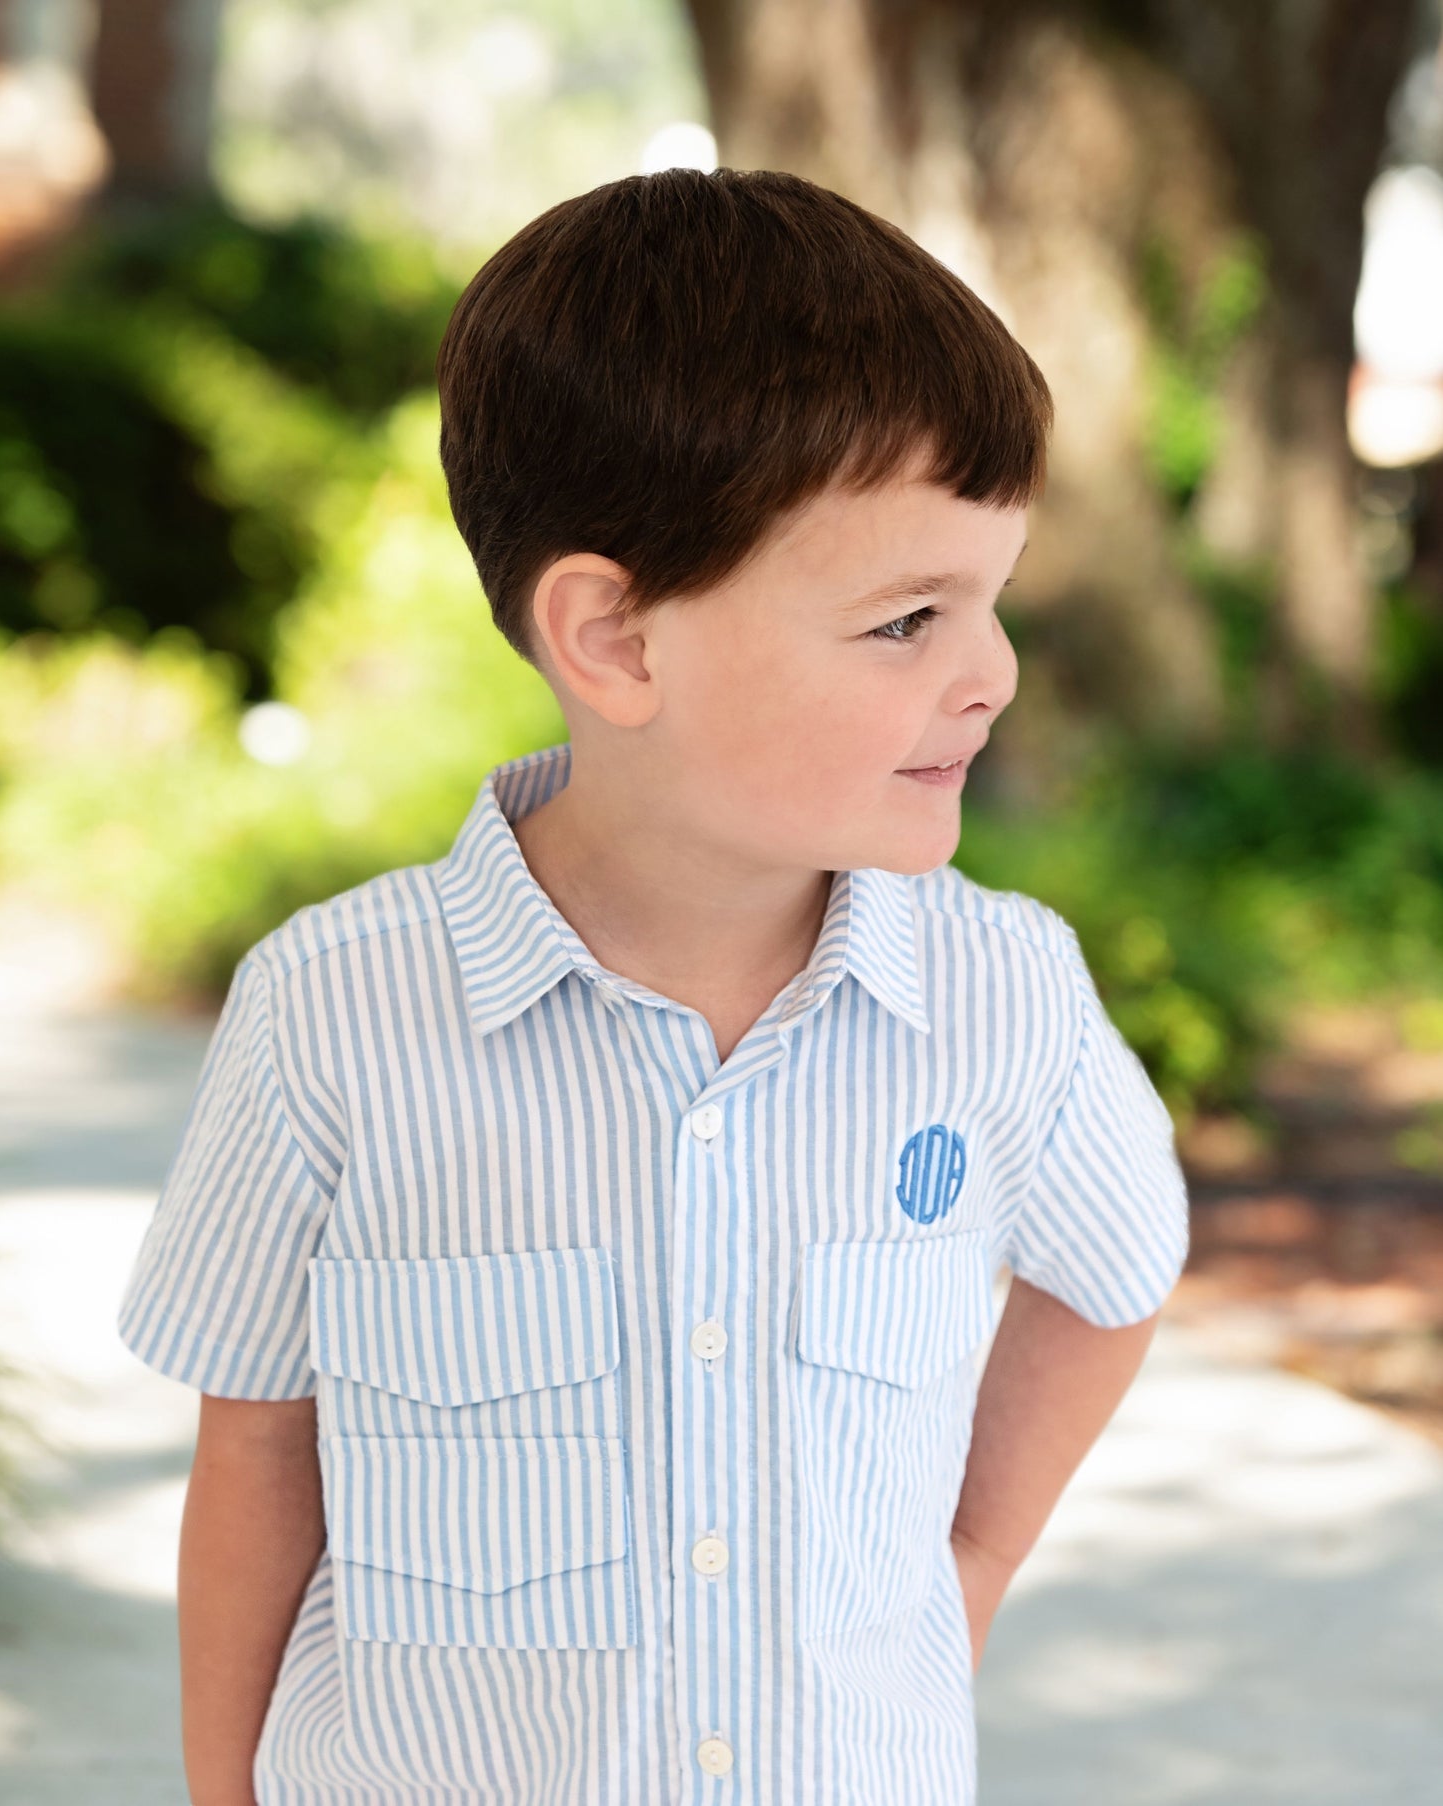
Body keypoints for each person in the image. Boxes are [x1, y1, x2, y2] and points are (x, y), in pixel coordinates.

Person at [116, 166, 1190, 1806]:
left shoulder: (1005, 1002)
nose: (990, 675)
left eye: (991, 598)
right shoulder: (330, 1018)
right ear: (613, 639)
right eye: (907, 617)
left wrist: (958, 1573)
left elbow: (1113, 1273)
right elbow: (258, 1446)